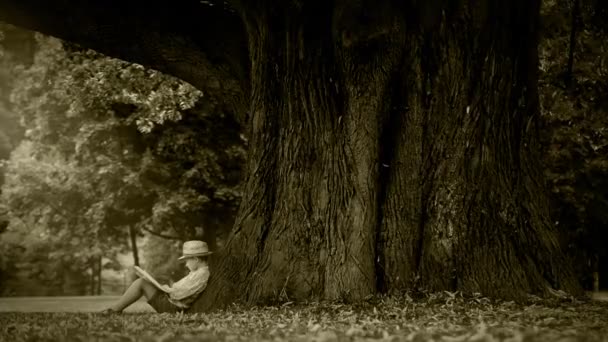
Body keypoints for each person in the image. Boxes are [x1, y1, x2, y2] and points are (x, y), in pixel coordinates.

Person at [101, 240, 212, 313]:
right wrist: (164, 287)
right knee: (143, 281)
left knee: (141, 283)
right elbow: (183, 290)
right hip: (172, 304)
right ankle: (116, 309)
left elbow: (180, 294)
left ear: (196, 259)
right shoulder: (197, 273)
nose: (186, 265)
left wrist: (166, 289)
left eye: (187, 261)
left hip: (173, 307)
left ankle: (115, 309)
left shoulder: (202, 274)